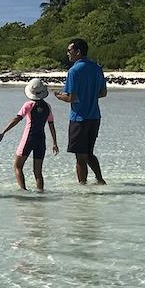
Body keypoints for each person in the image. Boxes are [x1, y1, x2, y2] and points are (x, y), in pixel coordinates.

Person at [54, 38, 106, 185]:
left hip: (79, 118)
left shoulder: (74, 71)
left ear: (78, 52)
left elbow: (71, 97)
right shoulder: (97, 68)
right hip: (95, 117)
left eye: (69, 51)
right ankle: (100, 180)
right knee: (89, 153)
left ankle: (82, 188)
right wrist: (88, 94)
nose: (67, 53)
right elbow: (102, 93)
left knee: (80, 158)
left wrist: (58, 95)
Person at [0, 78, 58, 192]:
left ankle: (23, 192)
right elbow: (51, 124)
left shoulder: (29, 104)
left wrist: (3, 132)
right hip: (41, 139)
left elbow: (17, 119)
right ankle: (40, 194)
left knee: (18, 166)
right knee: (38, 172)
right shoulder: (47, 106)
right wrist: (54, 143)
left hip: (29, 138)